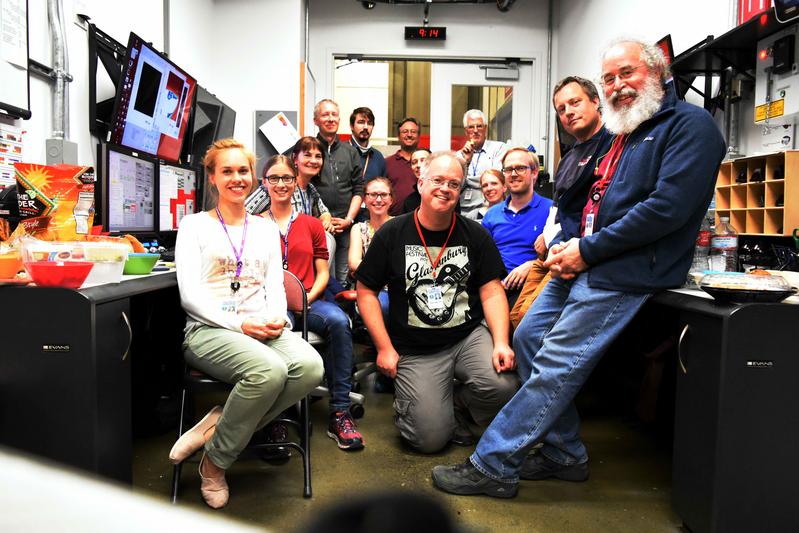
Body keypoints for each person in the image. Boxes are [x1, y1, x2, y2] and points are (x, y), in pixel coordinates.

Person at [432, 38, 726, 498]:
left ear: (658, 71)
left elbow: (667, 209)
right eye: (608, 78)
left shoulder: (692, 126)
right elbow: (597, 206)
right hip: (588, 260)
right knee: (528, 339)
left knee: (555, 365)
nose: (617, 85)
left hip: (625, 271)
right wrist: (575, 247)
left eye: (626, 73)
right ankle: (564, 452)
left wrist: (587, 251)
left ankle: (494, 464)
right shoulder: (625, 135)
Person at [171, 139, 324, 508]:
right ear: (212, 177)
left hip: (261, 326)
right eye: (227, 171)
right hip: (210, 330)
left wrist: (277, 319)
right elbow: (190, 296)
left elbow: (274, 286)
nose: (237, 178)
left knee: (309, 367)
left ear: (253, 176)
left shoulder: (264, 228)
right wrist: (241, 326)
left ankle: (217, 424)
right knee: (269, 372)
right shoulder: (193, 226)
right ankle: (215, 463)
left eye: (243, 171)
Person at [356, 151, 519, 454]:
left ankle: (457, 404)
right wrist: (384, 348)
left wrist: (500, 342)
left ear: (460, 192)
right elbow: (365, 290)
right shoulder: (392, 233)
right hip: (417, 348)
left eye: (454, 184)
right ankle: (421, 405)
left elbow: (492, 290)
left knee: (504, 387)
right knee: (428, 440)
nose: (445, 188)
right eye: (438, 180)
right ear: (420, 183)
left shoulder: (475, 234)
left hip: (466, 337)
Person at [263, 154, 365, 451]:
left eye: (287, 178)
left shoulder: (311, 225)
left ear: (296, 183)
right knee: (273, 328)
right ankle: (275, 417)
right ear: (265, 183)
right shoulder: (254, 224)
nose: (281, 184)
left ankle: (340, 412)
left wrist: (306, 297)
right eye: (274, 178)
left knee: (338, 322)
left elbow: (323, 272)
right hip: (272, 303)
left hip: (311, 299)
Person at [510, 76, 612, 328]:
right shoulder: (567, 159)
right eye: (561, 109)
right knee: (514, 317)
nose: (568, 112)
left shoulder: (614, 145)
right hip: (554, 250)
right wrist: (550, 240)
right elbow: (558, 208)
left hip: (580, 255)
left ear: (596, 101)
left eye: (575, 102)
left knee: (528, 324)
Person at [481, 148, 552, 308]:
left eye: (520, 168)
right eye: (508, 169)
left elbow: (562, 255)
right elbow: (481, 257)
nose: (513, 174)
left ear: (534, 173)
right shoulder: (492, 215)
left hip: (534, 288)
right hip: (495, 289)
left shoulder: (551, 211)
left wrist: (533, 265)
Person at [313, 99, 364, 284]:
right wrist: (320, 219)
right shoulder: (309, 150)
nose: (330, 118)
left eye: (334, 114)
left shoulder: (350, 152)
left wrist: (348, 220)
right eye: (325, 114)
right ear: (315, 120)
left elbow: (359, 189)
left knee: (344, 278)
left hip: (346, 225)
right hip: (318, 227)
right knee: (321, 275)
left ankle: (344, 312)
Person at [244, 137, 333, 233]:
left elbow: (323, 211)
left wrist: (326, 220)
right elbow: (244, 213)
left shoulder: (311, 189)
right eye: (307, 155)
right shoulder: (273, 186)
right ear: (295, 158)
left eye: (318, 156)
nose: (313, 161)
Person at [348, 177, 393, 321]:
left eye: (384, 195)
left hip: (398, 288)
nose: (378, 200)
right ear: (365, 200)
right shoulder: (358, 228)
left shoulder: (399, 225)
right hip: (370, 289)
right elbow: (354, 263)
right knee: (384, 307)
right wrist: (385, 273)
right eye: (373, 195)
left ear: (391, 199)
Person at [455, 109, 508, 218]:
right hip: (464, 211)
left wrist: (470, 180)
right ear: (466, 131)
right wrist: (467, 162)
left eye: (479, 126)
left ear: (485, 128)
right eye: (471, 127)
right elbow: (458, 186)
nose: (475, 130)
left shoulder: (499, 148)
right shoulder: (459, 156)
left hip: (490, 207)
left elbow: (495, 180)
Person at [385, 117, 421, 215]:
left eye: (413, 132)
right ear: (398, 136)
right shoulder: (387, 163)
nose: (409, 135)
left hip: (421, 219)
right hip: (394, 220)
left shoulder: (427, 162)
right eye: (405, 131)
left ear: (418, 136)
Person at [349, 106, 387, 183]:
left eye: (369, 123)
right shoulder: (341, 152)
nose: (366, 127)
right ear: (351, 126)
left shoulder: (378, 157)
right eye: (361, 122)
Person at [402, 148, 430, 214]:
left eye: (423, 161)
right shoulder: (409, 201)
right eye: (414, 162)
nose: (418, 165)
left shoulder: (444, 192)